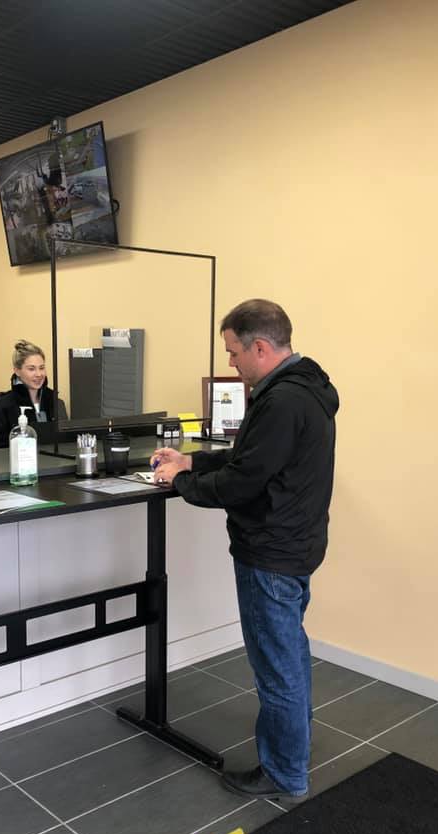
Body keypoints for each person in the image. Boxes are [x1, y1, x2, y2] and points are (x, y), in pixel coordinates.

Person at [152, 299, 339, 801]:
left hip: (271, 552)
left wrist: (181, 483)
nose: (231, 363)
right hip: (296, 544)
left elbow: (243, 482)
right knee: (289, 656)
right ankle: (293, 754)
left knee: (276, 667)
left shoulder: (280, 401)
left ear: (259, 347)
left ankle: (284, 773)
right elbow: (252, 459)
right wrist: (192, 462)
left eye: (233, 353)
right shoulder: (306, 388)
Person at [0, 340, 66, 449]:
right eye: (31, 369)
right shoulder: (3, 407)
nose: (39, 374)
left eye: (42, 368)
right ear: (17, 371)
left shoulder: (56, 403)